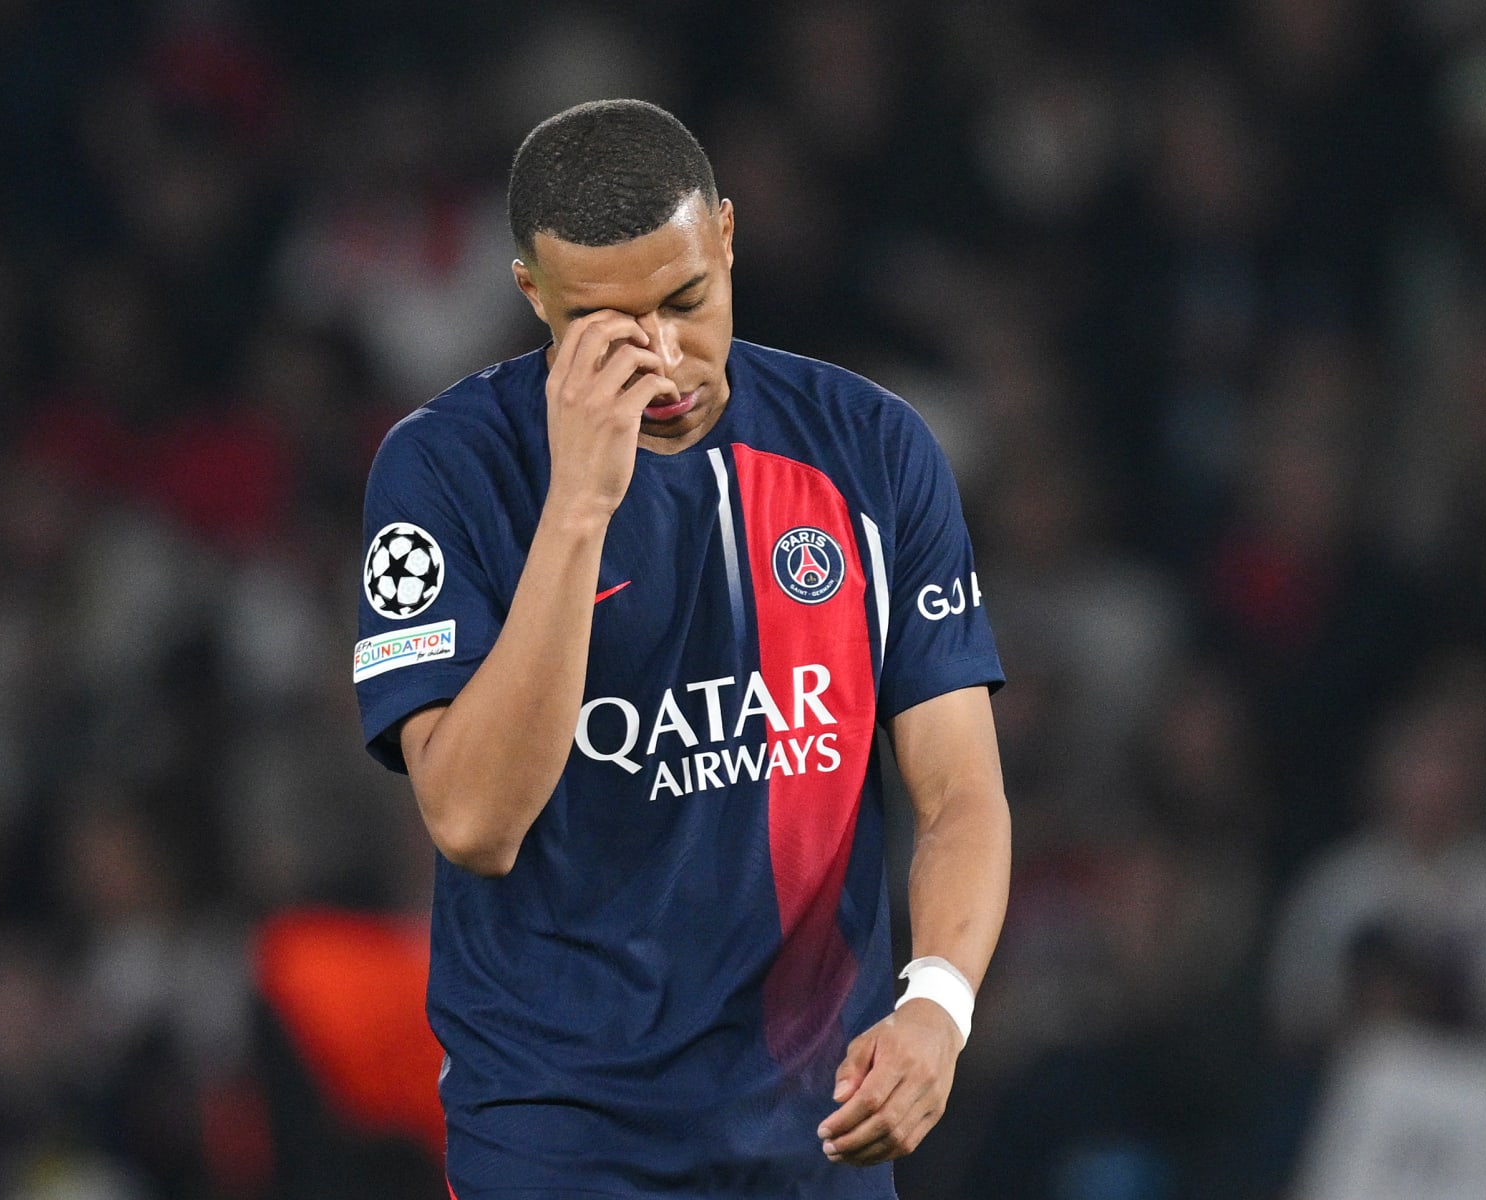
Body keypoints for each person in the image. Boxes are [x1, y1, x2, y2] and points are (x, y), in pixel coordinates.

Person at [352, 98, 1011, 1198]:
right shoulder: (445, 475)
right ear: (533, 298)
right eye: (605, 327)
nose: (661, 356)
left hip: (814, 1130)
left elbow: (958, 791)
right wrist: (577, 509)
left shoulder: (872, 450)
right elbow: (472, 822)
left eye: (687, 300)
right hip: (560, 1138)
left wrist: (937, 1007)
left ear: (730, 240)